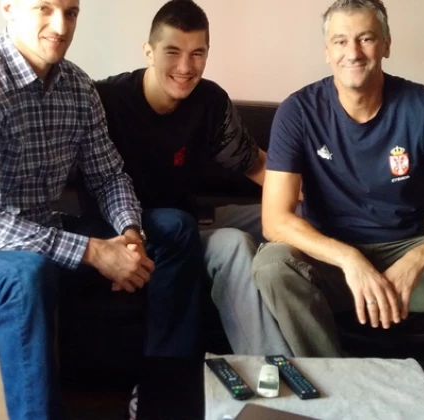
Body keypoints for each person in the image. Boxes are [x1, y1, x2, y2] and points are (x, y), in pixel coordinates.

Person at [0, 1, 203, 419]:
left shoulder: (77, 87)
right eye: (44, 8)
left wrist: (131, 235)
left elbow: (108, 176)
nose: (61, 25)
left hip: (40, 228)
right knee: (26, 274)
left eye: (70, 11)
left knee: (174, 227)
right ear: (8, 8)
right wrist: (94, 252)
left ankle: (162, 393)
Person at [251, 0, 424, 388]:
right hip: (331, 261)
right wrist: (350, 259)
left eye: (365, 38)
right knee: (272, 264)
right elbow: (275, 220)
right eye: (340, 41)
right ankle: (337, 386)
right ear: (327, 51)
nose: (353, 52)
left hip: (408, 248)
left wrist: (416, 259)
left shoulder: (423, 107)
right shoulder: (298, 111)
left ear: (386, 44)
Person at [93, 0, 293, 359]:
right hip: (139, 230)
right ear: (149, 51)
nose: (185, 67)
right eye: (172, 52)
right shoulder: (105, 100)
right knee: (232, 244)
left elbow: (257, 165)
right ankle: (275, 372)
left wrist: (318, 200)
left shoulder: (210, 102)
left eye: (197, 54)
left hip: (191, 219)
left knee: (293, 215)